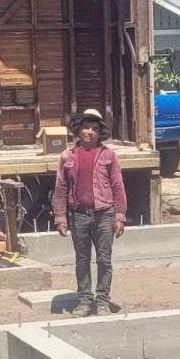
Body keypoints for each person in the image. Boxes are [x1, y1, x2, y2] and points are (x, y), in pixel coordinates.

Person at [53, 108, 127, 316]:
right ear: (78, 130)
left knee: (104, 259)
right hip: (79, 215)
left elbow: (118, 186)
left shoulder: (109, 156)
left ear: (100, 132)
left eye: (94, 128)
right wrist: (60, 217)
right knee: (82, 259)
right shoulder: (67, 156)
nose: (89, 132)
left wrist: (120, 216)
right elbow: (61, 188)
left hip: (104, 214)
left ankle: (102, 301)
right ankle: (84, 301)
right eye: (86, 127)